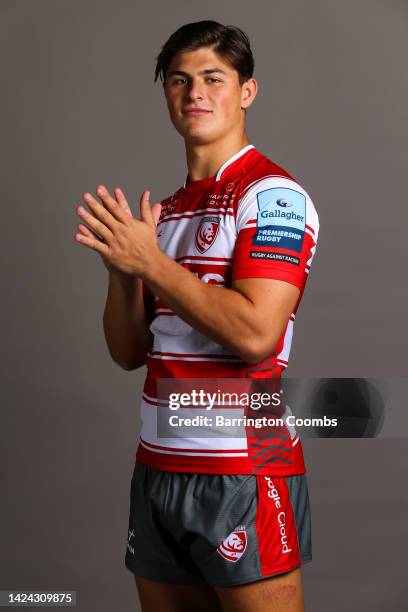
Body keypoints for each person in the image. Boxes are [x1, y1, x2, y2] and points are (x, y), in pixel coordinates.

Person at [74, 20, 319, 612]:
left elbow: (256, 333)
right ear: (166, 95)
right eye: (180, 81)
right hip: (158, 467)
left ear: (246, 92)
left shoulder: (272, 196)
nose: (195, 94)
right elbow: (129, 352)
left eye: (213, 78)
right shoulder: (167, 213)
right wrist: (124, 272)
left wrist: (151, 263)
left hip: (244, 469)